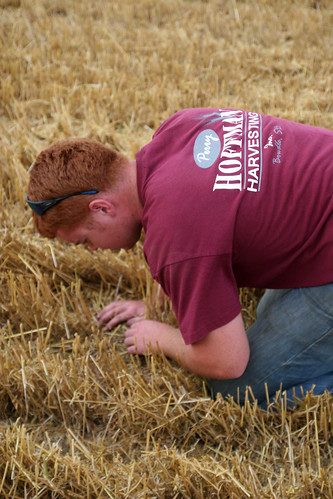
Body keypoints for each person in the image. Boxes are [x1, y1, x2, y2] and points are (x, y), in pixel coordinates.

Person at [26, 108, 333, 407]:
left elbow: (228, 361)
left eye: (85, 240)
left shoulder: (175, 235)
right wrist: (158, 301)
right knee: (268, 310)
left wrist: (161, 337)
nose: (93, 249)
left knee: (237, 389)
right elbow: (196, 231)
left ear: (103, 209)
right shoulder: (179, 127)